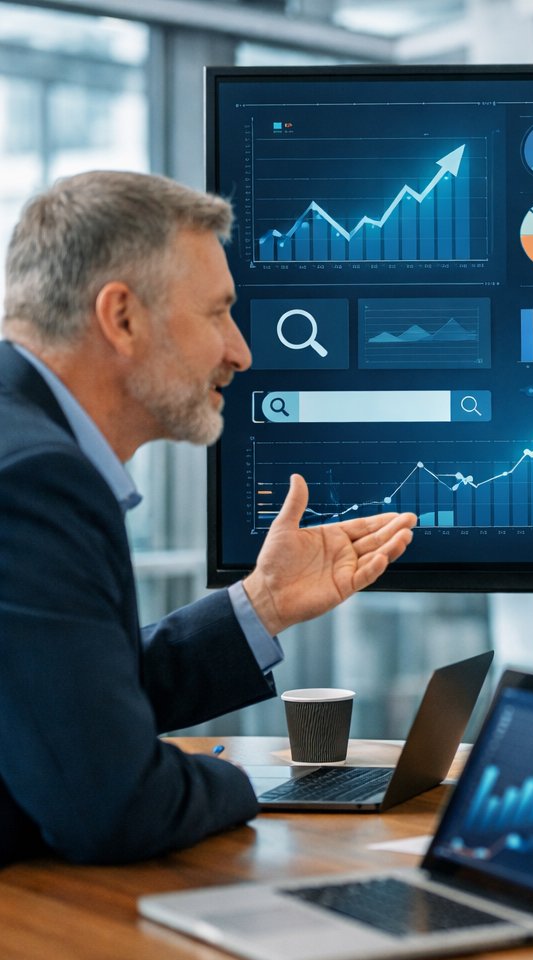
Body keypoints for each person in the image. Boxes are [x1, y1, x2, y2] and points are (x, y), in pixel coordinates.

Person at [0, 171, 416, 865]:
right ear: (122, 317)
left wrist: (263, 603)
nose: (241, 351)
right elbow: (113, 806)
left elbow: (62, 699)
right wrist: (253, 784)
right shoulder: (36, 480)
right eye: (217, 312)